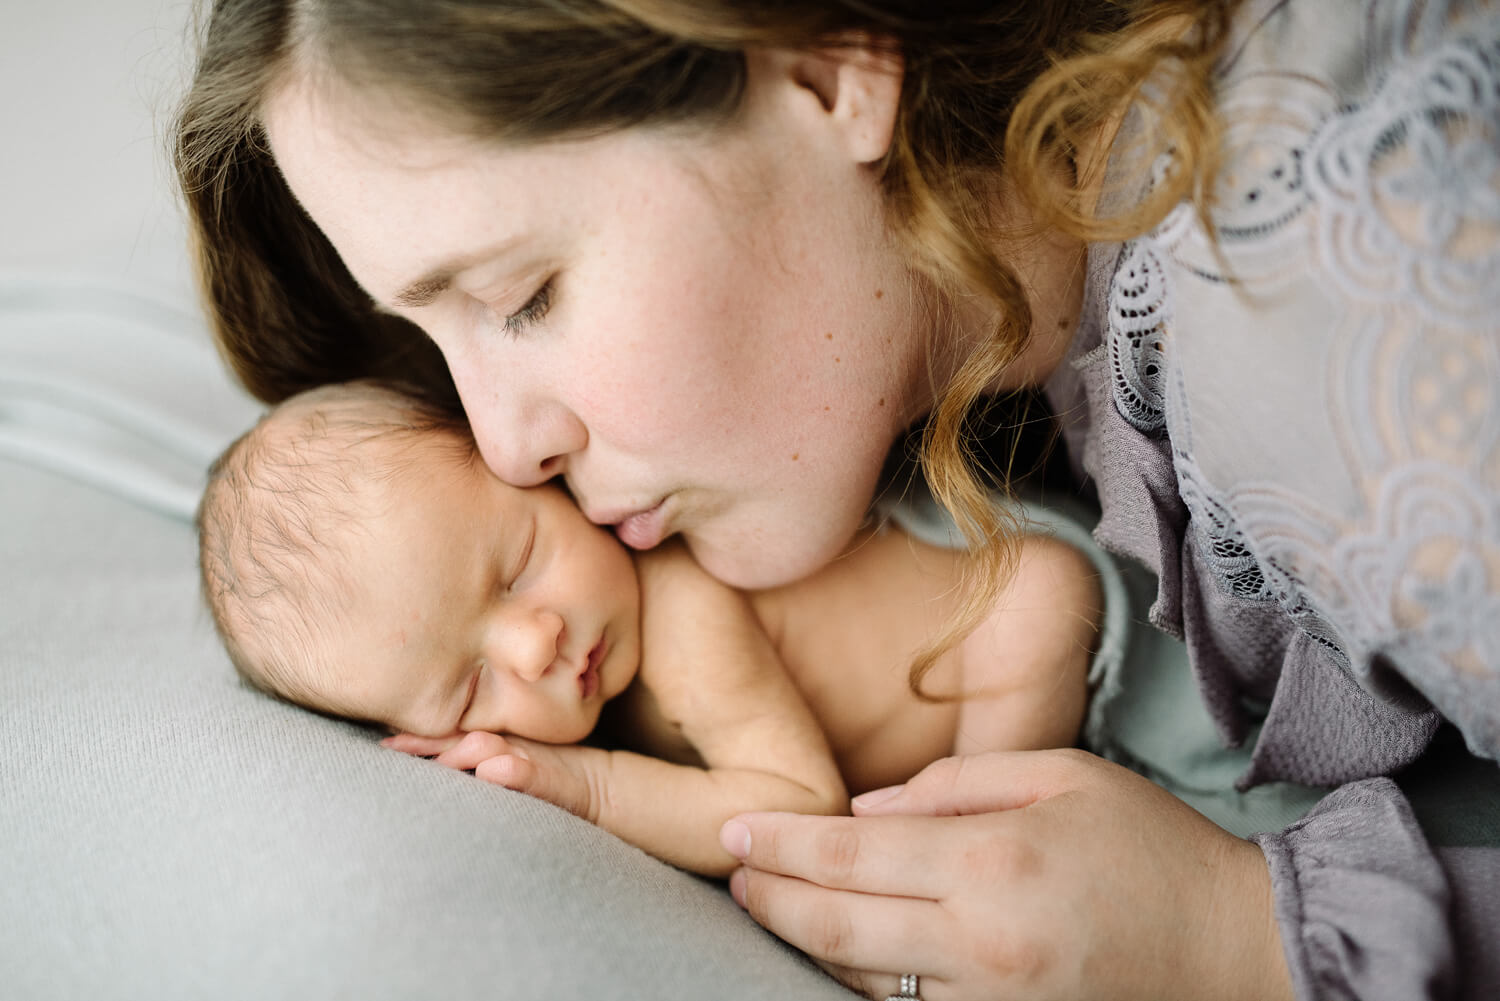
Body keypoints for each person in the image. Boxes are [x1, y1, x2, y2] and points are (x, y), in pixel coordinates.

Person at [172, 0, 1500, 998]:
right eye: (436, 348)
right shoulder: (992, 355)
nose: (504, 449)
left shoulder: (1336, 338)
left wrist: (1241, 940)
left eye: (525, 296)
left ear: (823, 66)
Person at [197, 379, 1102, 878]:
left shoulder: (676, 604)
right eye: (473, 687)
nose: (534, 643)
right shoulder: (594, 667)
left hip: (1030, 625)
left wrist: (589, 790)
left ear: (539, 476)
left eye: (517, 564)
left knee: (1033, 612)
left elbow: (796, 801)